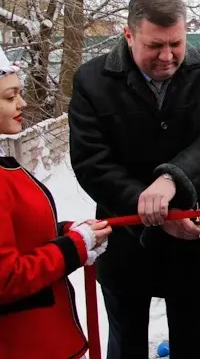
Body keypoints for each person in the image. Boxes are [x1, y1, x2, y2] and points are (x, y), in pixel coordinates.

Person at [68, 0, 200, 359]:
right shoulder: (91, 80)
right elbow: (90, 162)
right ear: (128, 36)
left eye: (176, 43)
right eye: (155, 45)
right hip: (126, 243)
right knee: (126, 343)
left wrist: (173, 179)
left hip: (191, 244)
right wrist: (152, 212)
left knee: (190, 341)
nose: (167, 56)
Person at [0, 48, 111, 359]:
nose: (22, 104)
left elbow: (19, 235)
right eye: (10, 97)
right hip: (22, 342)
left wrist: (68, 233)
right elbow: (6, 278)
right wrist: (73, 246)